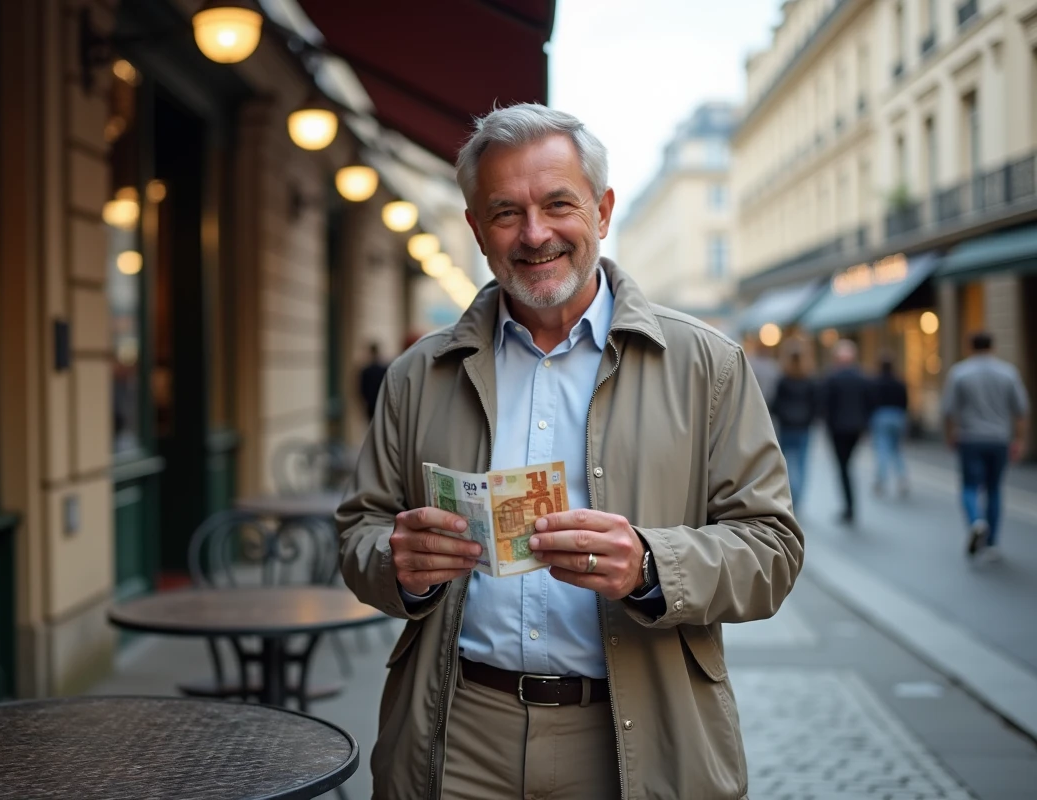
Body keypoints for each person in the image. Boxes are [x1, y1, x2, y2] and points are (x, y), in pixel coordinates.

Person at [336, 103, 804, 800]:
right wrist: (399, 566)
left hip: (635, 734)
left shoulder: (707, 364)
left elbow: (773, 551)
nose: (535, 234)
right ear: (475, 228)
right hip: (458, 733)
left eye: (559, 204)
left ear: (603, 209)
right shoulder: (417, 374)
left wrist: (651, 564)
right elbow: (358, 533)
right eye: (505, 213)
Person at [942, 331, 1030, 561]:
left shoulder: (960, 372)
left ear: (970, 346)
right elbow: (1021, 410)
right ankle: (991, 543)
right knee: (994, 489)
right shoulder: (1008, 373)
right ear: (993, 346)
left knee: (970, 486)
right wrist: (1019, 440)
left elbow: (949, 409)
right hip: (999, 439)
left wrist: (950, 435)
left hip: (970, 438)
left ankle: (975, 521)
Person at [818, 339, 873, 524]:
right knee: (846, 466)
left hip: (838, 429)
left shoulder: (832, 377)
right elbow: (869, 404)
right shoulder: (861, 377)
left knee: (843, 468)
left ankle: (849, 507)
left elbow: (824, 405)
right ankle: (850, 506)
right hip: (855, 429)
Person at [771, 347, 817, 511]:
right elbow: (815, 404)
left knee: (787, 462)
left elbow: (775, 403)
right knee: (802, 463)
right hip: (803, 427)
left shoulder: (784, 379)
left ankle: (791, 492)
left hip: (787, 426)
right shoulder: (808, 379)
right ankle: (798, 494)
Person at [869, 355, 909, 497]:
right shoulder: (899, 381)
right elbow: (905, 401)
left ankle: (881, 479)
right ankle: (902, 479)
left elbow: (871, 401)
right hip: (898, 416)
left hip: (880, 415)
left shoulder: (875, 382)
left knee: (882, 449)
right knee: (897, 450)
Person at [357, 342, 389, 421]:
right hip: (380, 403)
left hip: (371, 404)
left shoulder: (366, 371)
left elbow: (362, 389)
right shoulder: (383, 369)